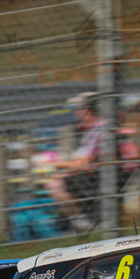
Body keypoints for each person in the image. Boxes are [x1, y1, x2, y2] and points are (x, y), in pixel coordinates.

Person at [47, 93, 105, 231]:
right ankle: (85, 219)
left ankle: (82, 223)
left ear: (89, 110)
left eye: (79, 109)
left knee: (55, 184)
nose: (76, 113)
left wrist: (58, 165)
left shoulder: (99, 129)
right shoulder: (90, 130)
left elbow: (86, 162)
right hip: (90, 173)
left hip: (96, 175)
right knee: (56, 180)